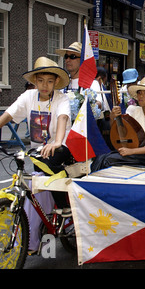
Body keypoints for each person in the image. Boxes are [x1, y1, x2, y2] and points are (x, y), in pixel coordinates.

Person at [0, 57, 73, 252]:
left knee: (50, 158)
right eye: (40, 80)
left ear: (56, 82)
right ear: (35, 81)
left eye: (50, 81)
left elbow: (63, 117)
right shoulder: (28, 97)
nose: (45, 85)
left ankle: (63, 204)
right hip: (38, 152)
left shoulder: (61, 98)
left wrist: (57, 141)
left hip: (61, 148)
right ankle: (35, 234)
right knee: (32, 179)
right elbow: (8, 115)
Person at [91, 77, 145, 171]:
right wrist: (113, 118)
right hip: (134, 152)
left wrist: (131, 151)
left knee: (107, 160)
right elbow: (120, 133)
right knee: (99, 158)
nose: (141, 96)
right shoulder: (134, 111)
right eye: (139, 93)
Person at [56, 42, 104, 110]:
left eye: (73, 57)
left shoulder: (91, 83)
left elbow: (99, 104)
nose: (67, 60)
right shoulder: (62, 82)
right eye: (66, 57)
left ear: (82, 60)